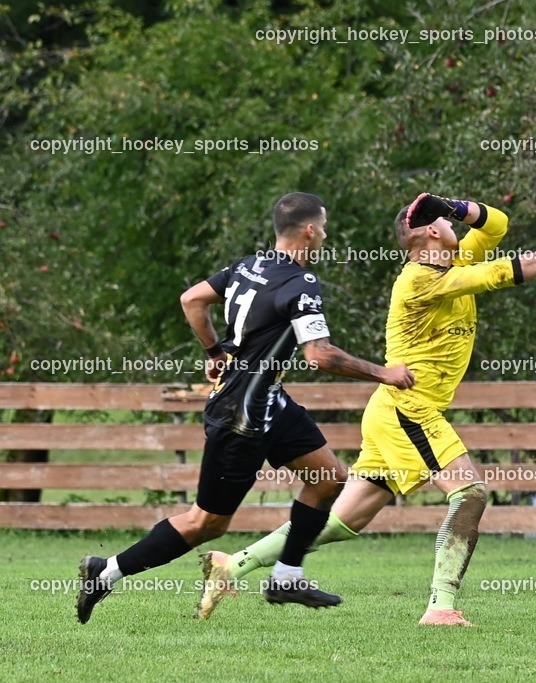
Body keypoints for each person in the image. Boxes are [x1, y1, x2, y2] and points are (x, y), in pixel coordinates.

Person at [197, 193, 536, 626]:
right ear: (432, 231)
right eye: (448, 221)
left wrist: (451, 206)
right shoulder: (418, 278)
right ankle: (441, 606)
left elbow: (497, 225)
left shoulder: (454, 262)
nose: (456, 227)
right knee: (469, 493)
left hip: (392, 411)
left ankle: (232, 566)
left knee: (340, 521)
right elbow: (500, 273)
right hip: (407, 408)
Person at [75, 192, 415, 624]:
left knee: (328, 478)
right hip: (241, 417)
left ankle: (287, 577)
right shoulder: (300, 283)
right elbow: (319, 355)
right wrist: (385, 373)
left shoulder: (247, 266)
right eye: (324, 228)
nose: (326, 236)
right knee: (206, 523)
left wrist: (214, 351)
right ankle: (105, 571)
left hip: (270, 401)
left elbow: (192, 299)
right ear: (310, 230)